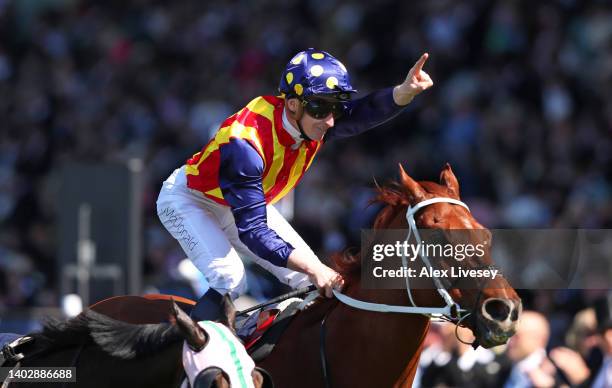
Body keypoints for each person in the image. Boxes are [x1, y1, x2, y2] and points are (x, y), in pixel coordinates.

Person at [156, 48, 433, 321]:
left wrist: (403, 91)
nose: (331, 120)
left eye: (335, 107)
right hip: (189, 200)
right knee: (230, 279)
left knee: (313, 284)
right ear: (292, 103)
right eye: (322, 107)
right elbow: (253, 231)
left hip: (238, 205)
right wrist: (314, 266)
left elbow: (360, 114)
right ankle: (188, 358)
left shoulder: (309, 116)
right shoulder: (245, 145)